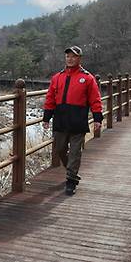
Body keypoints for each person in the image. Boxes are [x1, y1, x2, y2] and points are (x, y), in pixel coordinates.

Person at [43, 45, 103, 196]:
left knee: (75, 152)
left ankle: (71, 179)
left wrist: (97, 118)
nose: (70, 59)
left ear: (79, 58)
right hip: (60, 119)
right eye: (68, 56)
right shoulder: (57, 77)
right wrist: (46, 117)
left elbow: (95, 99)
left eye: (73, 56)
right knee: (59, 148)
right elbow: (50, 98)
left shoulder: (88, 78)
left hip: (78, 120)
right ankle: (71, 169)